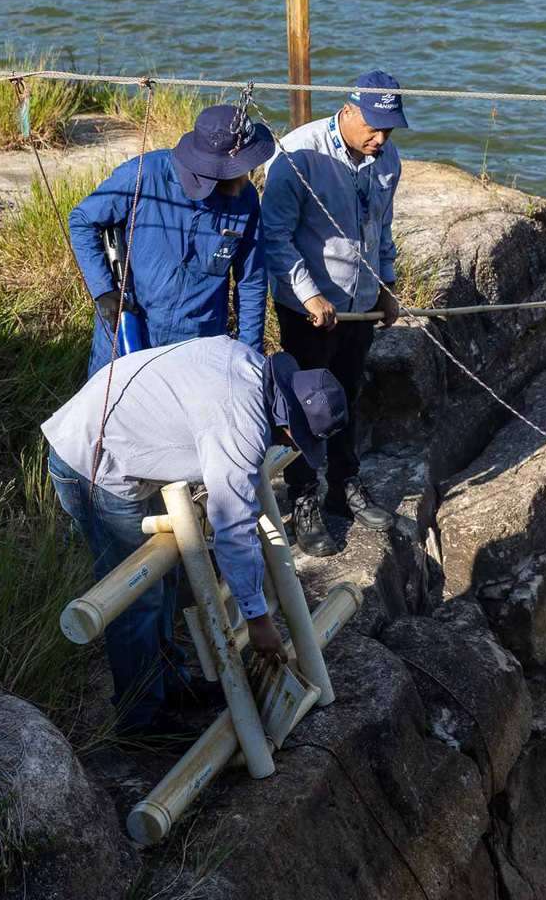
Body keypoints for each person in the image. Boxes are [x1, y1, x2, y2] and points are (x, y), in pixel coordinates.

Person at [41, 335, 347, 735]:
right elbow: (233, 527)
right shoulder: (239, 424)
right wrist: (257, 620)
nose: (285, 444)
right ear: (288, 424)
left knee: (165, 580)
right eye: (295, 440)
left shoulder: (248, 365)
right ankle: (141, 721)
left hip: (117, 435)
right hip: (93, 460)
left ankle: (170, 684)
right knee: (137, 597)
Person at [260, 70, 408, 557]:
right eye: (373, 127)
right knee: (307, 405)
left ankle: (345, 485)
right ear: (347, 110)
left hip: (359, 306)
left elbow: (383, 226)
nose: (380, 138)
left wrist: (386, 286)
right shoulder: (297, 156)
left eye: (389, 129)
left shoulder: (386, 159)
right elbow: (275, 236)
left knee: (348, 393)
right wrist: (308, 295)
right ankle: (304, 496)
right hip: (309, 310)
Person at [68, 103, 274, 376]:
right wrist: (103, 290)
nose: (247, 173)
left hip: (199, 347)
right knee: (117, 402)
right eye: (241, 166)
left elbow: (252, 281)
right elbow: (82, 220)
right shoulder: (144, 174)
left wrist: (249, 356)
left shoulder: (246, 200)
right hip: (128, 332)